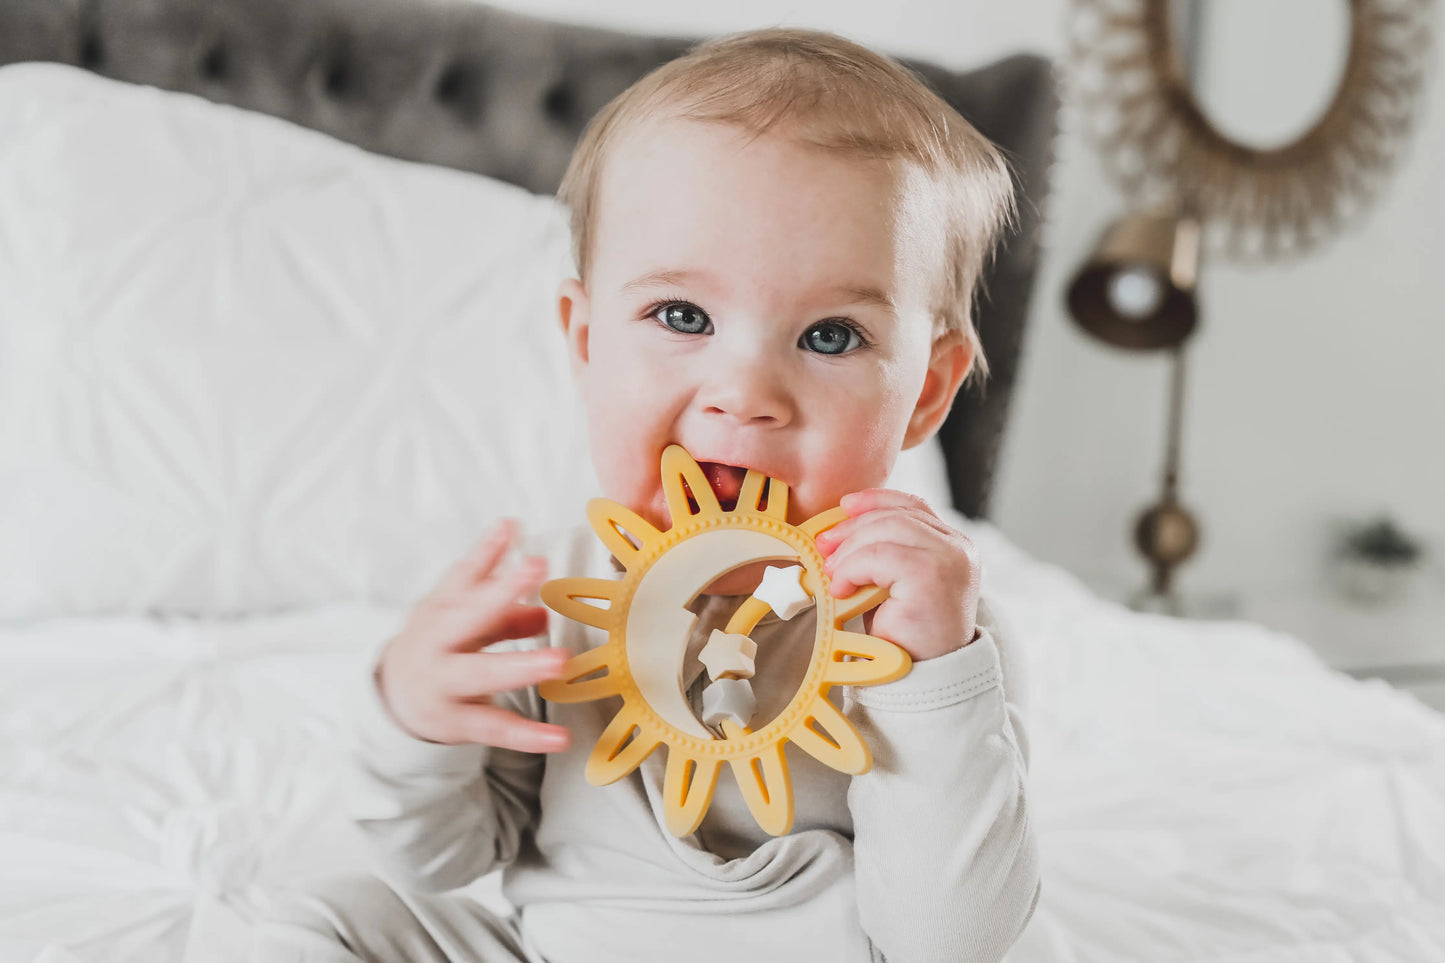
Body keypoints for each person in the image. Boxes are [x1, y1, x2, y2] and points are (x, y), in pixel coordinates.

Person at [252, 27, 1038, 963]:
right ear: (585, 341)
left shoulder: (929, 631)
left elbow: (953, 944)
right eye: (682, 317)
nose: (744, 393)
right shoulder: (550, 598)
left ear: (927, 393)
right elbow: (445, 856)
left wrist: (932, 680)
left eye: (830, 336)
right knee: (324, 918)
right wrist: (417, 726)